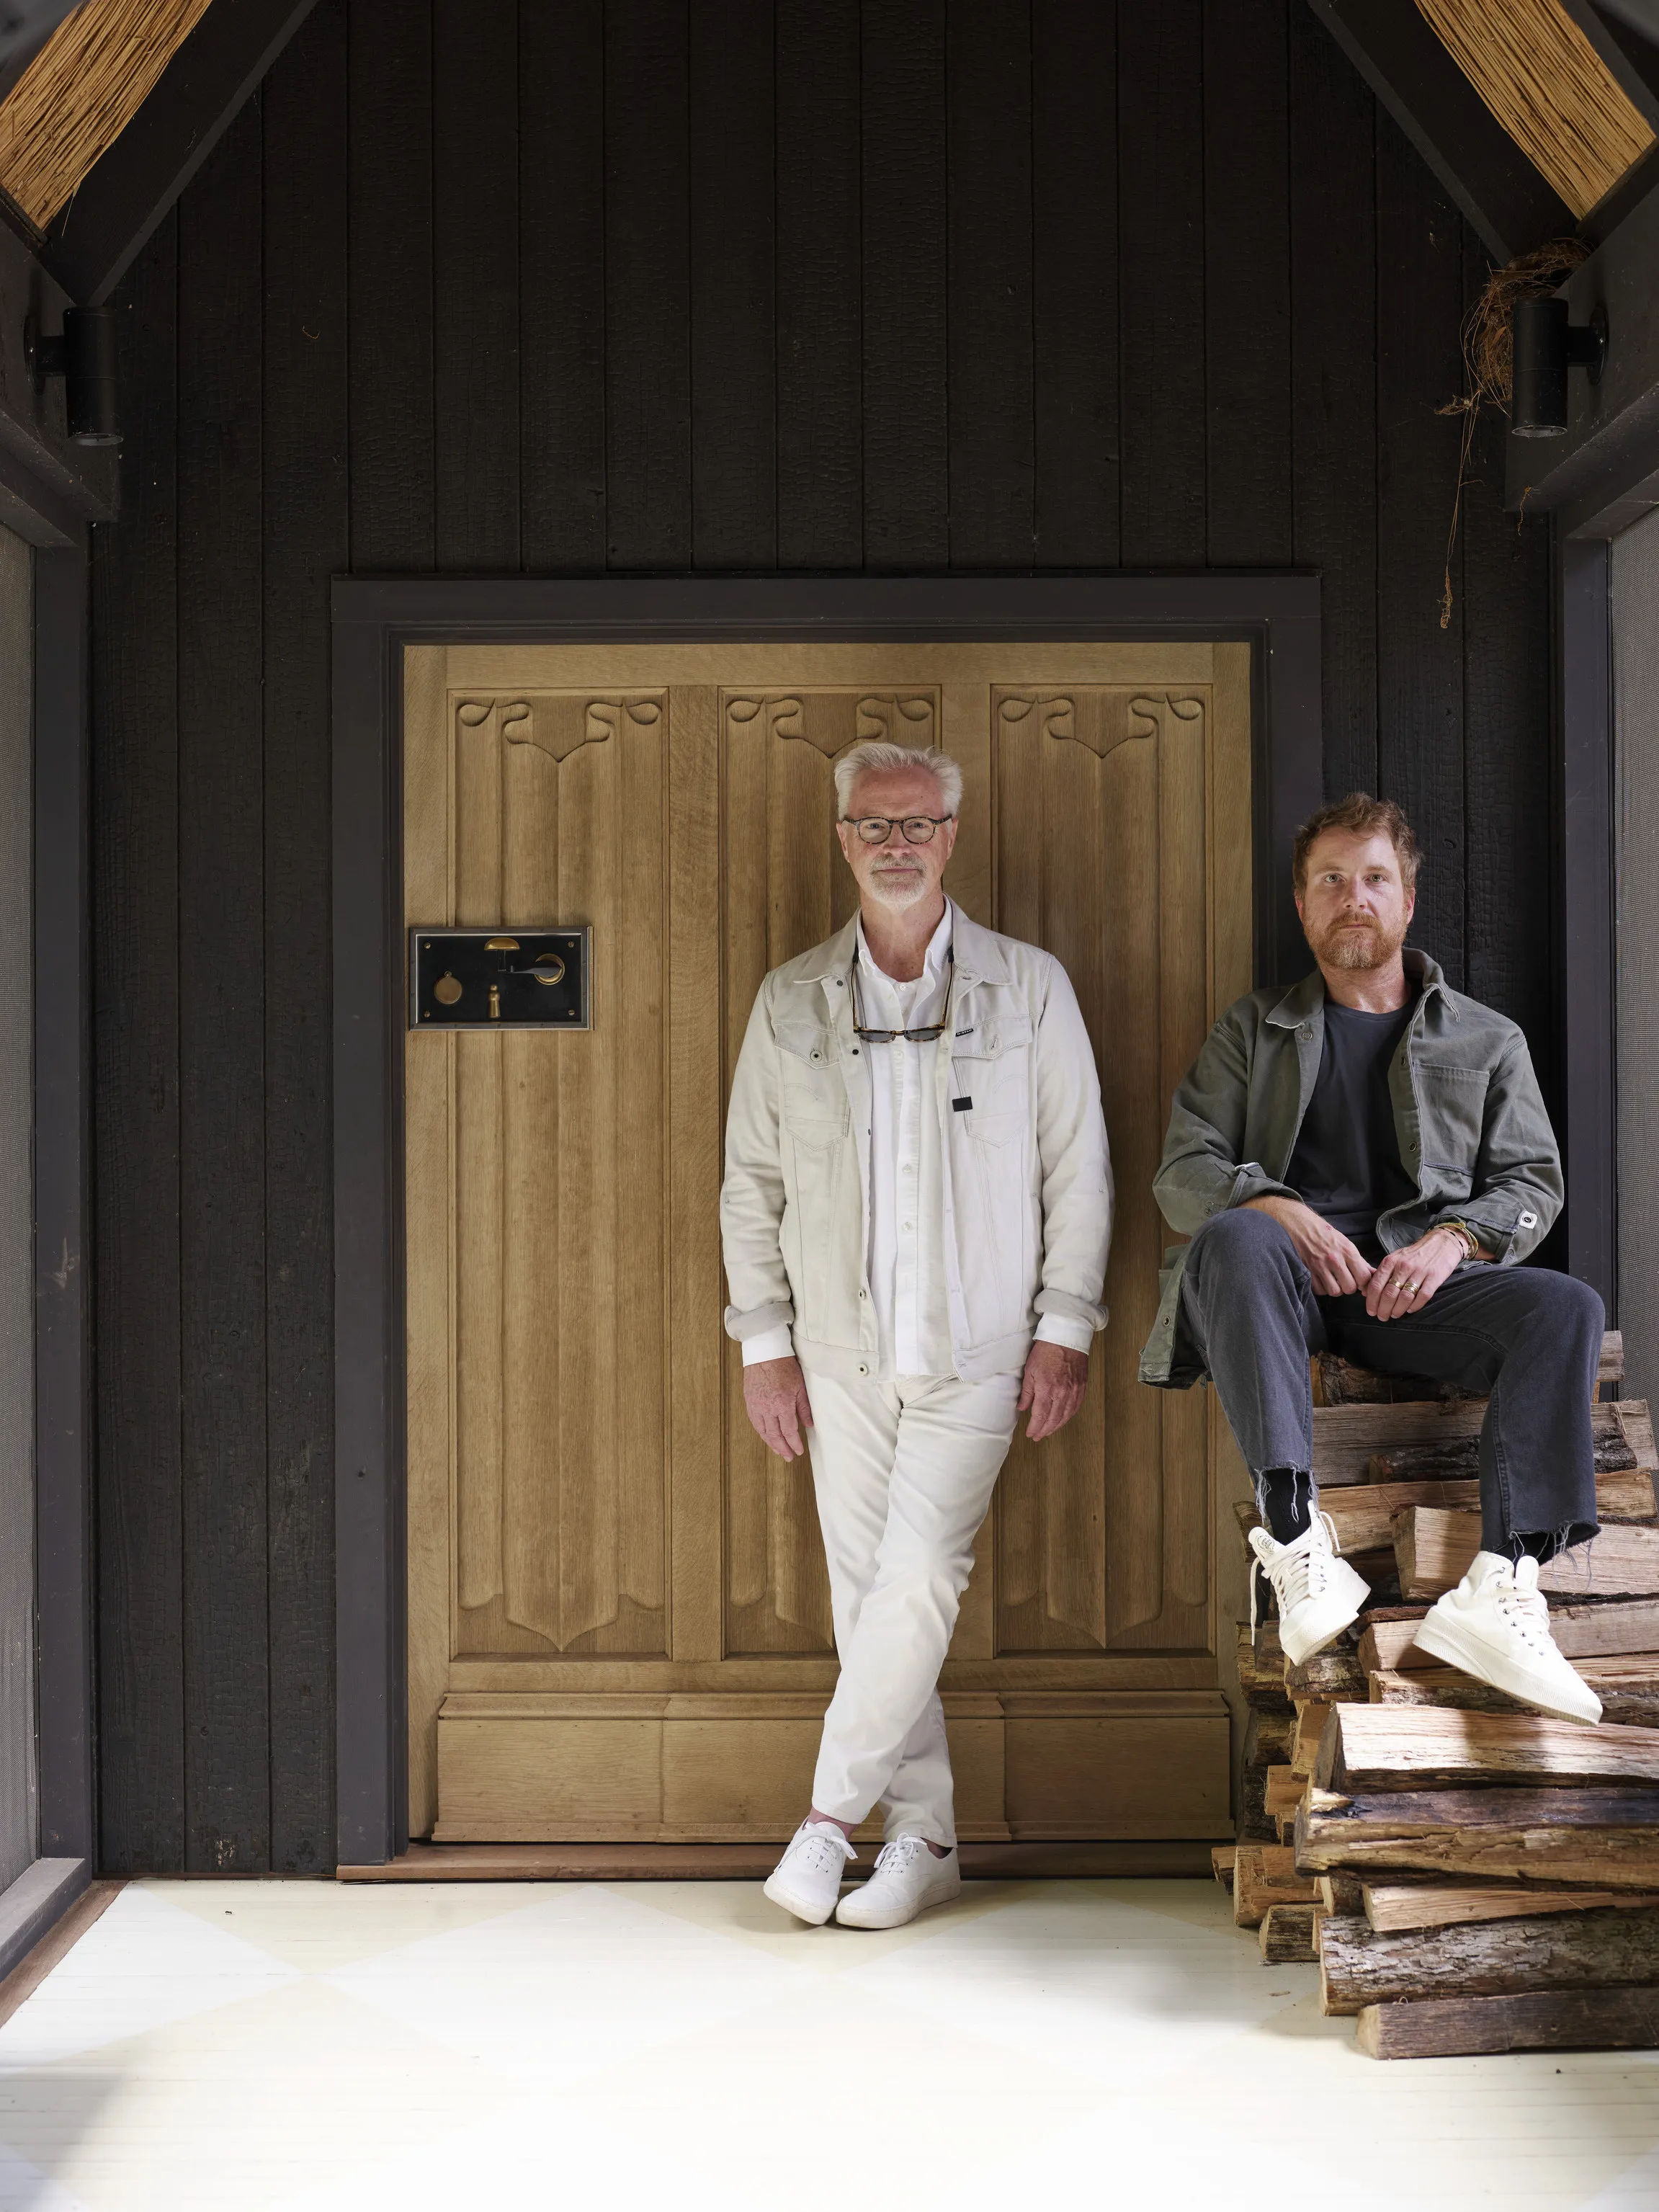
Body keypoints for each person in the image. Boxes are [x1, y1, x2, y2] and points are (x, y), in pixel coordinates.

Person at [721, 739, 1112, 1927]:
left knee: (919, 1573)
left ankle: (828, 1821)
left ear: (951, 834)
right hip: (834, 1354)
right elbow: (750, 1183)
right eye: (873, 824)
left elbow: (1076, 1166)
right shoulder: (790, 998)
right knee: (872, 1598)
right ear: (842, 837)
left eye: (918, 822)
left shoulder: (1027, 985)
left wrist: (1065, 1326)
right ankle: (926, 1832)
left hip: (978, 1347)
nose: (896, 843)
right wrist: (764, 1342)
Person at [1140, 793, 1605, 1724]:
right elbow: (1180, 1174)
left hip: (1420, 1296)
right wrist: (1274, 1205)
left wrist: (1454, 1239)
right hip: (1285, 1293)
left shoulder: (1486, 1039)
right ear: (1302, 906)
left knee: (1567, 1306)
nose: (1353, 897)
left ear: (1407, 897)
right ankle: (1294, 1538)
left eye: (1373, 879)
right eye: (1330, 880)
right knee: (1229, 1232)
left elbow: (1531, 1182)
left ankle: (1503, 1585)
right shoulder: (1252, 1031)